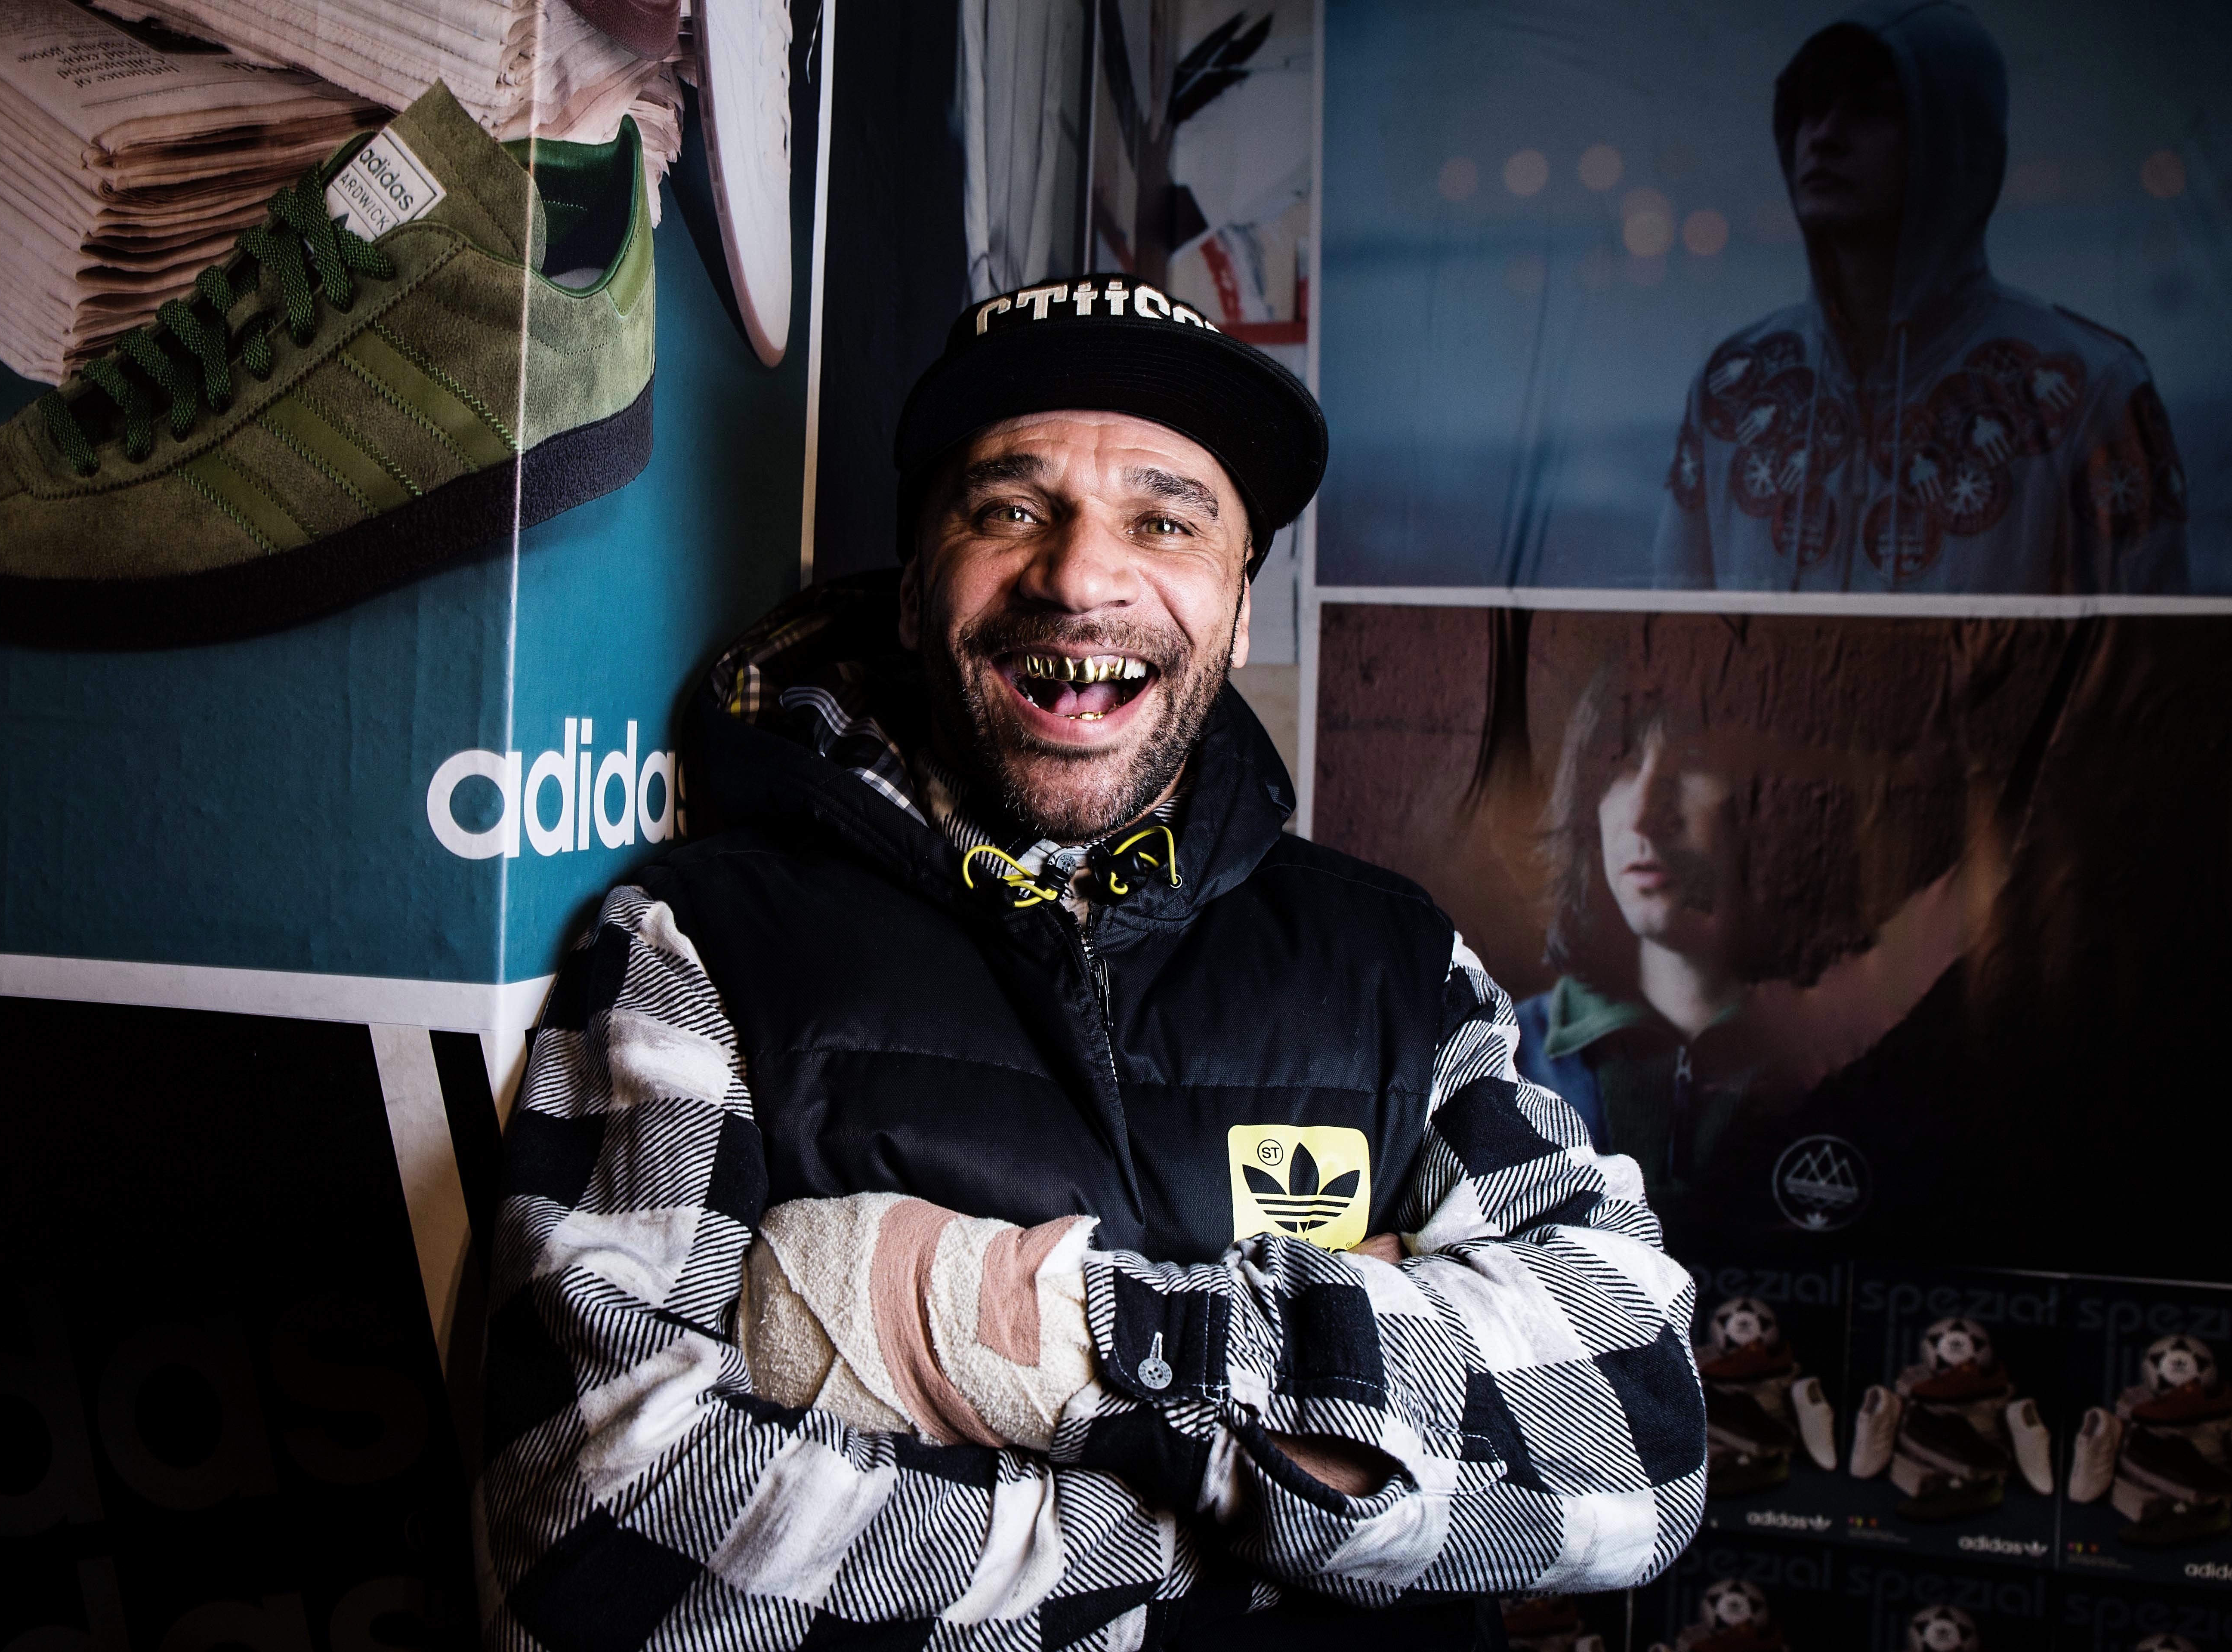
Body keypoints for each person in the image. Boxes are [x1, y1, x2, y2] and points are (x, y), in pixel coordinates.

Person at [476, 276, 1707, 1647]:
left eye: (1165, 522)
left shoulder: (1398, 967)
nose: (1078, 577)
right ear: (915, 591)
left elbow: (1635, 1445)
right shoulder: (698, 943)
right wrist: (1286, 1503)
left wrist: (1007, 1324)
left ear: (1239, 609)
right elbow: (589, 1544)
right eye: (1011, 510)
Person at [1652, 1, 2188, 593]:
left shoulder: (2093, 393)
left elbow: (2144, 650)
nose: (1824, 136)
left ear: (1954, 145)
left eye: (1872, 111)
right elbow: (1674, 636)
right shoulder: (1733, 390)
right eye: (1811, 108)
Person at [1513, 643, 1975, 1237]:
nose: (1644, 813)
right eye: (1619, 766)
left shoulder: (1871, 1056)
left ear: (1771, 798)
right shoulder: (1510, 1055)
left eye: (1693, 761)